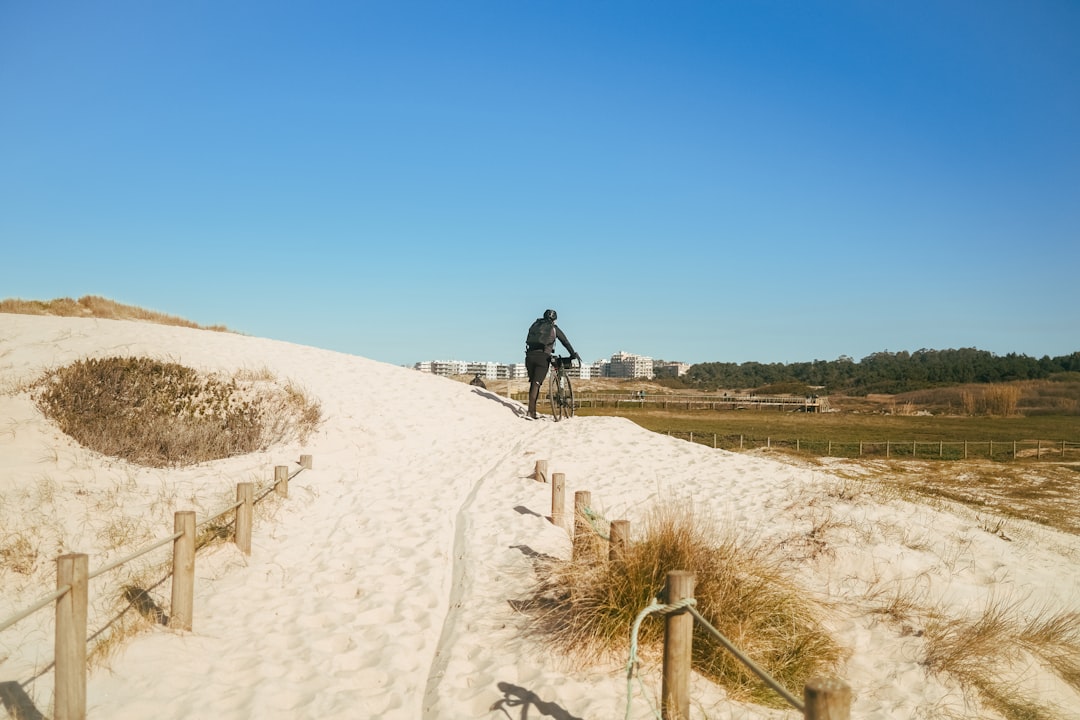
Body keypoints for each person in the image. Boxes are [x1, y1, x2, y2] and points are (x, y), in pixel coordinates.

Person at [524, 309, 580, 419]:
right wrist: (573, 354)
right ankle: (531, 413)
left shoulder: (535, 325)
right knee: (536, 384)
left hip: (529, 356)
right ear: (555, 320)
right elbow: (565, 342)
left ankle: (531, 411)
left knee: (533, 383)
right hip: (543, 357)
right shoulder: (554, 328)